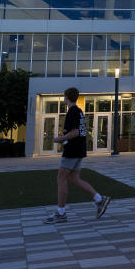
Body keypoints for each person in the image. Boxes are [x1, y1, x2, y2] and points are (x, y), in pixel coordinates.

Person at [43, 87, 111, 223]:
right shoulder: (79, 111)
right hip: (79, 149)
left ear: (66, 97)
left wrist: (59, 139)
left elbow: (75, 132)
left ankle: (60, 213)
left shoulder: (72, 112)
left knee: (61, 178)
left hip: (72, 150)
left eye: (64, 96)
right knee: (74, 179)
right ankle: (99, 199)